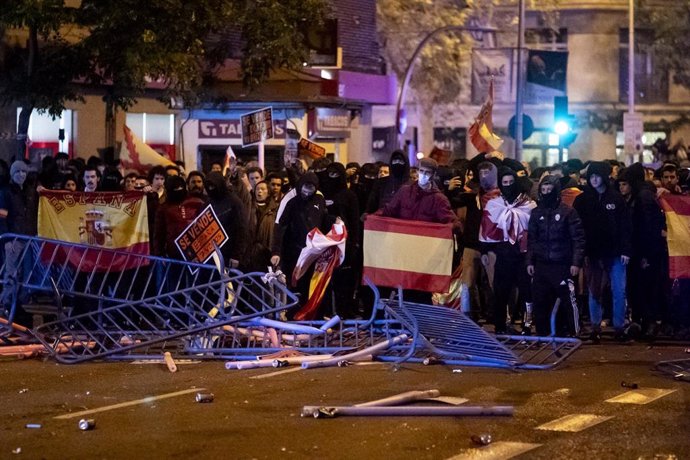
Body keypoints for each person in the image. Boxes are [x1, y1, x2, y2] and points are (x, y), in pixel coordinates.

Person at [573, 161, 632, 342]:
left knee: (619, 290)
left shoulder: (615, 199)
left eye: (597, 176)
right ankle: (595, 327)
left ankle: (619, 327)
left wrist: (625, 249)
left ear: (605, 177)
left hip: (614, 253)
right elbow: (578, 228)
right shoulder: (583, 200)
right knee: (594, 290)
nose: (594, 180)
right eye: (591, 176)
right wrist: (583, 253)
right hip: (593, 253)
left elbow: (625, 226)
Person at [526, 175, 585, 336]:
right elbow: (532, 239)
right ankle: (542, 333)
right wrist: (530, 261)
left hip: (562, 264)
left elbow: (578, 239)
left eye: (549, 190)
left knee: (568, 300)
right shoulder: (536, 213)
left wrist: (576, 263)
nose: (546, 193)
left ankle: (574, 331)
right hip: (542, 264)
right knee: (540, 300)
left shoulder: (568, 212)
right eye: (543, 190)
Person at [480, 166, 536, 335]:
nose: (508, 185)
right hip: (503, 254)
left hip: (523, 255)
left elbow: (534, 231)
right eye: (505, 182)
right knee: (501, 291)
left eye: (511, 182)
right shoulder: (494, 204)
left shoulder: (529, 205)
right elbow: (486, 229)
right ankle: (501, 325)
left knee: (527, 292)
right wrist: (484, 251)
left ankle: (527, 324)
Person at [0, 161, 39, 327]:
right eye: (18, 172)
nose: (21, 175)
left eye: (24, 172)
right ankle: (6, 303)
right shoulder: (6, 193)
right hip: (13, 239)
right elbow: (2, 218)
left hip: (29, 239)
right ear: (12, 174)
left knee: (26, 273)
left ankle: (20, 304)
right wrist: (7, 239)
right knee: (11, 274)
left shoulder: (31, 192)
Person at [204, 172, 247, 269]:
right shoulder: (207, 204)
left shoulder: (234, 202)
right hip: (211, 257)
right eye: (208, 186)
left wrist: (237, 255)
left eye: (213, 186)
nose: (211, 189)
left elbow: (242, 230)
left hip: (229, 255)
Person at [246, 180, 278, 272]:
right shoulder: (249, 207)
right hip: (249, 252)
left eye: (263, 189)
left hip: (266, 252)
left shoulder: (274, 210)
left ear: (268, 193)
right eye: (257, 189)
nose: (259, 191)